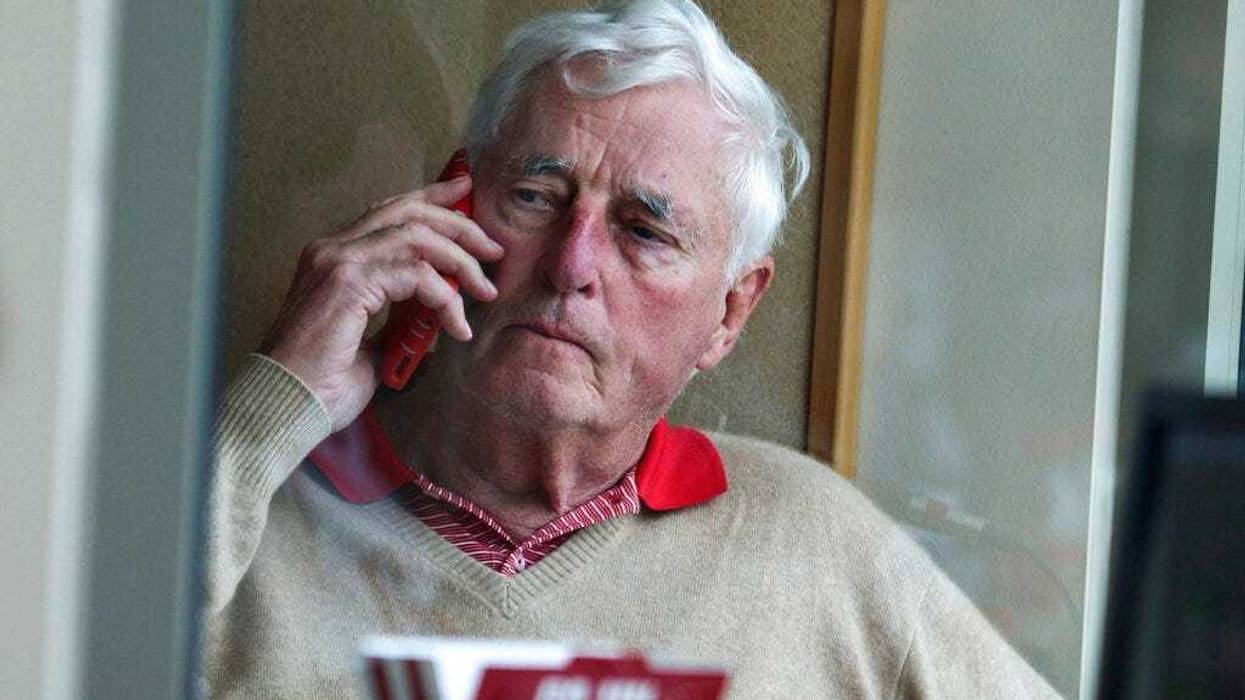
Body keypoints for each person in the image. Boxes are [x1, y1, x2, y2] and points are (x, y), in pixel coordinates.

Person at [204, 0, 1061, 697]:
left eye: (643, 229)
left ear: (730, 311)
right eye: (536, 196)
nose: (572, 265)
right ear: (452, 203)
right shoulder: (247, 496)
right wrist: (272, 409)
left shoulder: (815, 546)